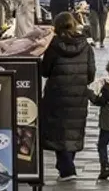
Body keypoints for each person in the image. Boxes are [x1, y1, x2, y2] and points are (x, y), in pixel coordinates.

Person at [39, 12, 96, 181]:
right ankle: (67, 164)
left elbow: (45, 71)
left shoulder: (53, 46)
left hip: (57, 94)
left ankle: (67, 169)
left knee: (59, 130)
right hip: (78, 95)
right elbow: (91, 74)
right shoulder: (86, 46)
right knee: (73, 129)